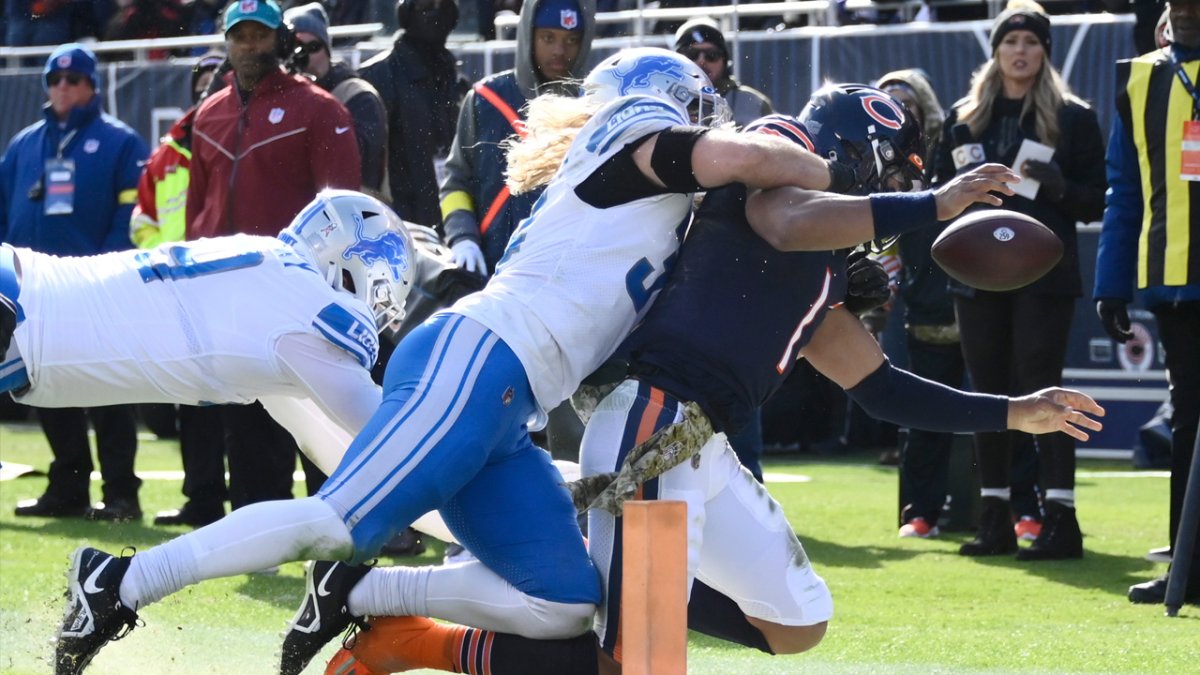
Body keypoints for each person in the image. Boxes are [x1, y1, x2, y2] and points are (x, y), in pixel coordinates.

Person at [53, 47, 858, 675]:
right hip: (481, 356)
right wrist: (827, 174)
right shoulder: (632, 133)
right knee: (338, 520)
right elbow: (754, 163)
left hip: (513, 399)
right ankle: (118, 583)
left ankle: (358, 593)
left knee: (564, 601)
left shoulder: (649, 208)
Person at [319, 90, 1102, 675]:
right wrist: (929, 206)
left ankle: (597, 585)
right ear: (859, 150)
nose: (893, 188)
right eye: (892, 170)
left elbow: (881, 386)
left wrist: (1015, 411)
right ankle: (421, 636)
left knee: (797, 622)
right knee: (630, 659)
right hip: (652, 420)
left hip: (704, 445)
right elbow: (791, 217)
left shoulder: (818, 272)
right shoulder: (776, 169)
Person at [0, 190, 413, 479]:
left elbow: (324, 441)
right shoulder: (303, 307)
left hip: (23, 303)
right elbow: (395, 435)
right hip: (21, 318)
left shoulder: (274, 277)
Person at [933, 1, 1107, 560]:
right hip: (975, 276)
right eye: (1011, 42)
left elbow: (1094, 198)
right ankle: (994, 518)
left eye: (1031, 42)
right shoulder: (964, 118)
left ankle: (1061, 518)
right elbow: (935, 196)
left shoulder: (1072, 116)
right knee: (986, 393)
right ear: (996, 50)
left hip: (1045, 276)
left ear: (1045, 51)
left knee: (1042, 384)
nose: (1020, 51)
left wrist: (1057, 184)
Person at [188, 0, 363, 513]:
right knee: (246, 427)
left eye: (259, 35)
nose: (249, 46)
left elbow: (343, 213)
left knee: (322, 423)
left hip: (301, 298)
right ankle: (256, 535)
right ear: (226, 43)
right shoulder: (207, 113)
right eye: (239, 36)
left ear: (279, 39)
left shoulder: (320, 109)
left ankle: (341, 535)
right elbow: (199, 212)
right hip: (230, 298)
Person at [0, 42, 149, 522]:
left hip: (93, 289)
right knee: (43, 387)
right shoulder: (26, 142)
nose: (62, 87)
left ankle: (122, 494)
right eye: (54, 80)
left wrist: (106, 268)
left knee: (108, 393)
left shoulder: (119, 141)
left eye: (73, 80)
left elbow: (131, 212)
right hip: (33, 291)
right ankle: (68, 488)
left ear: (93, 86)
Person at [1095, 0, 1200, 605]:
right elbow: (1124, 187)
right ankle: (1186, 565)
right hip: (1175, 285)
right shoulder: (1141, 79)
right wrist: (1111, 282)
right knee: (1187, 425)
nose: (1184, 10)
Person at [127, 50, 230, 527]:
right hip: (178, 293)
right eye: (202, 78)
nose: (208, 85)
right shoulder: (166, 153)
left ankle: (260, 504)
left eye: (218, 75)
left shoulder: (234, 137)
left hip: (229, 285)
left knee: (257, 408)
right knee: (196, 405)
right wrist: (160, 262)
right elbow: (143, 220)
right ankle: (203, 501)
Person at [439, 0, 595, 278]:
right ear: (528, 36)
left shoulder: (594, 108)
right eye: (548, 38)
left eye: (571, 40)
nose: (560, 51)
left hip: (564, 276)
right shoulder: (484, 100)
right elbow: (455, 184)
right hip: (485, 272)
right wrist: (462, 237)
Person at [874, 68, 964, 538]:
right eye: (886, 100)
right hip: (920, 299)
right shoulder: (881, 166)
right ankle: (920, 511)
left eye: (905, 99)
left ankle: (1009, 508)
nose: (897, 107)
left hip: (976, 294)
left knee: (996, 404)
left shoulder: (951, 151)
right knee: (921, 411)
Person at [359, 0, 463, 226]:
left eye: (442, 6)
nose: (435, 14)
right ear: (406, 14)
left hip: (450, 219)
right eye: (426, 6)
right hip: (398, 224)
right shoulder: (378, 78)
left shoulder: (454, 78)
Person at [286, 2, 389, 197]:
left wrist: (310, 98)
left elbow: (357, 160)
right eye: (297, 49)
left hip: (353, 210)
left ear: (328, 51)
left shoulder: (358, 96)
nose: (304, 57)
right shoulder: (275, 98)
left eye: (313, 47)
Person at [673, 17, 772, 128]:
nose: (702, 61)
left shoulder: (754, 104)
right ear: (676, 60)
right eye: (691, 54)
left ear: (724, 60)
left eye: (711, 55)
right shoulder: (660, 101)